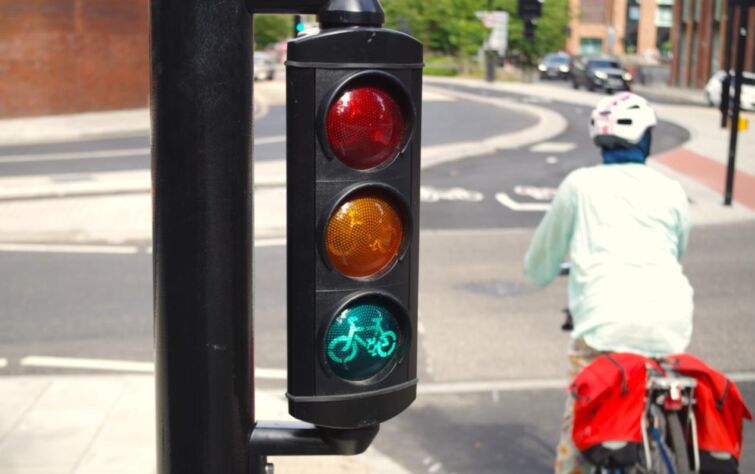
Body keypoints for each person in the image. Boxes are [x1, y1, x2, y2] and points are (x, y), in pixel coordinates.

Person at [523, 92, 694, 474]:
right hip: (670, 324)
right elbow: (677, 249)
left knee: (580, 426)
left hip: (604, 326)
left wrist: (545, 271)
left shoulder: (580, 185)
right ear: (645, 139)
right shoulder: (672, 190)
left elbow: (538, 266)